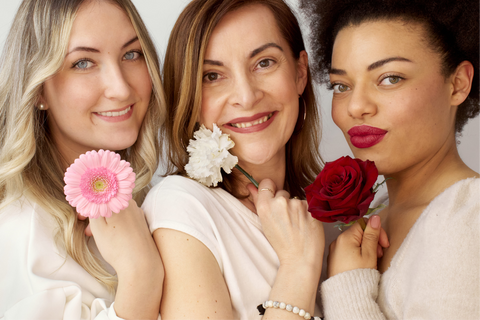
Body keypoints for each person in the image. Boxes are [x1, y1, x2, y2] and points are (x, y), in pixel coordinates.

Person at [141, 0, 326, 319]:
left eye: (264, 62)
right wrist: (298, 266)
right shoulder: (181, 208)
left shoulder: (329, 218)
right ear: (190, 97)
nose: (246, 95)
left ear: (299, 72)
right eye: (212, 75)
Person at [300, 0, 480, 318]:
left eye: (390, 78)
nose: (356, 106)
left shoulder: (469, 223)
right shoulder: (378, 207)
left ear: (458, 83)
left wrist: (348, 285)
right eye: (341, 85)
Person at [0, 0, 166, 318]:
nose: (120, 88)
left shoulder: (150, 201)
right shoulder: (22, 237)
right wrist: (141, 273)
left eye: (131, 54)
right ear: (38, 91)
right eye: (82, 63)